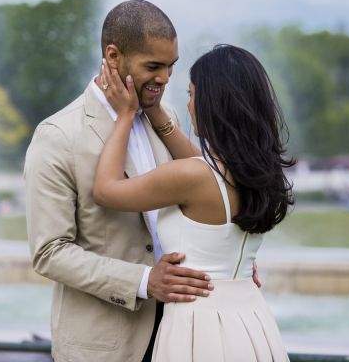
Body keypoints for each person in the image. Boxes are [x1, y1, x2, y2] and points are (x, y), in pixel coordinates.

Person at [25, 0, 236, 362]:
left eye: (171, 67)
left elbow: (208, 185)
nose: (165, 79)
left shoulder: (164, 116)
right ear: (112, 56)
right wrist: (142, 281)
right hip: (105, 345)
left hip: (180, 331)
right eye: (153, 66)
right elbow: (49, 252)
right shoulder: (57, 135)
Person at [93, 44, 293, 361]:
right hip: (252, 322)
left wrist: (126, 116)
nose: (188, 105)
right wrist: (155, 111)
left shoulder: (191, 177)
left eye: (191, 94)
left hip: (200, 327)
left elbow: (105, 190)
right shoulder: (256, 172)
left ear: (212, 103)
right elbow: (202, 164)